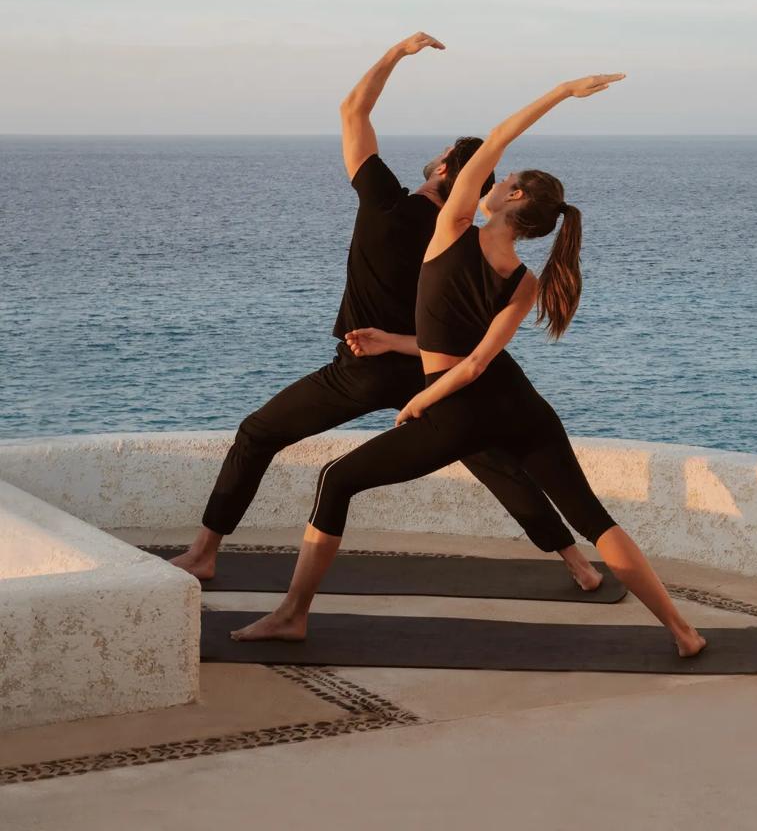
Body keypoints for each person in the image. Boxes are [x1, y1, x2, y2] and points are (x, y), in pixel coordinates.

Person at [231, 71, 706, 658]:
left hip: (458, 408)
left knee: (336, 481)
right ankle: (683, 632)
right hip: (519, 403)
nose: (494, 177)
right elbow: (477, 356)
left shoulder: (453, 228)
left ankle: (291, 615)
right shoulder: (527, 280)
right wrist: (393, 343)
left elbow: (495, 141)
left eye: (503, 179)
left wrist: (422, 400)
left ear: (512, 200)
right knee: (595, 519)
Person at [169, 33, 600, 591]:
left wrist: (397, 53)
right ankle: (580, 566)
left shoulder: (384, 204)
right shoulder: (464, 241)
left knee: (257, 433)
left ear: (445, 167)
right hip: (433, 370)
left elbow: (353, 109)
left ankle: (204, 553)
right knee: (493, 461)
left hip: (365, 363)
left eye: (445, 149)